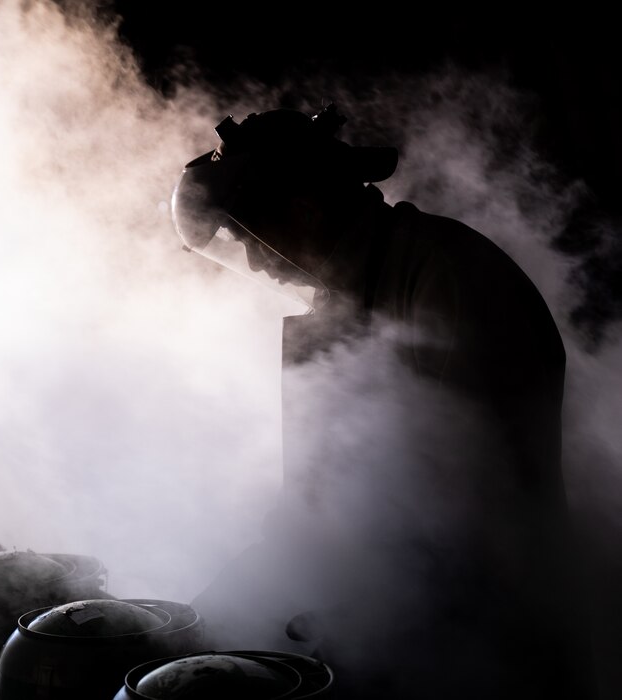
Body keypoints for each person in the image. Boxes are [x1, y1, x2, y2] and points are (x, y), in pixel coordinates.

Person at [171, 104, 595, 699]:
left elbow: (466, 515)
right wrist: (200, 619)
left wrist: (350, 626)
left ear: (306, 212)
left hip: (486, 653)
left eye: (251, 239)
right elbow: (316, 505)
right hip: (402, 625)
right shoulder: (345, 293)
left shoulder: (451, 280)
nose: (256, 263)